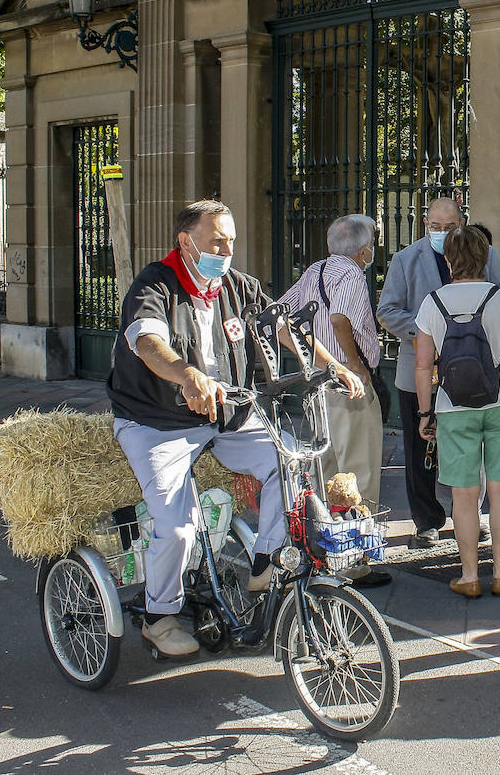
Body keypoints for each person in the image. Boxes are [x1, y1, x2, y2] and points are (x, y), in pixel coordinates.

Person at [107, 199, 364, 658]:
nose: (225, 250)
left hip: (228, 416)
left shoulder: (239, 287)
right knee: (178, 527)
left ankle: (264, 562)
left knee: (288, 463)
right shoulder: (154, 285)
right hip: (157, 421)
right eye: (216, 242)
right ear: (186, 242)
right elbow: (147, 342)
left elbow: (284, 329)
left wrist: (333, 366)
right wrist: (187, 375)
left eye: (230, 241)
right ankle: (158, 616)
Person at [413, 226, 500, 597]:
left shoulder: (432, 303)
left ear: (448, 259)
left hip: (453, 407)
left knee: (464, 494)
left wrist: (426, 414)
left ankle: (470, 576)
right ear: (485, 257)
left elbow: (423, 366)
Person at [377, 196, 500, 548]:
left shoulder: (486, 255)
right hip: (417, 369)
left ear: (462, 223)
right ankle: (427, 520)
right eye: (434, 227)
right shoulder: (406, 259)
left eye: (449, 228)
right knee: (419, 450)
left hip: (470, 370)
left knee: (470, 447)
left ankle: (469, 515)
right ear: (425, 225)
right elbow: (387, 309)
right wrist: (424, 334)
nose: (441, 234)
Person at [279, 213, 391, 588]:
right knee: (358, 469)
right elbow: (341, 317)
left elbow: (279, 319)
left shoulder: (314, 272)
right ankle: (356, 560)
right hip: (348, 384)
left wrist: (310, 358)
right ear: (363, 250)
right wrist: (354, 366)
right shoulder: (353, 275)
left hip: (320, 383)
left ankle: (327, 550)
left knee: (328, 469)